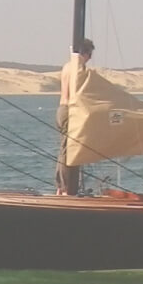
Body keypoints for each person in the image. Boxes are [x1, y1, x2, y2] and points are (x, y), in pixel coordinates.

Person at [55, 37, 95, 195]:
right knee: (69, 152)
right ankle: (65, 189)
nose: (90, 59)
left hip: (61, 109)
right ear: (85, 53)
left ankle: (61, 187)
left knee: (64, 150)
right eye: (89, 55)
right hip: (69, 111)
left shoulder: (67, 66)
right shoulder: (78, 67)